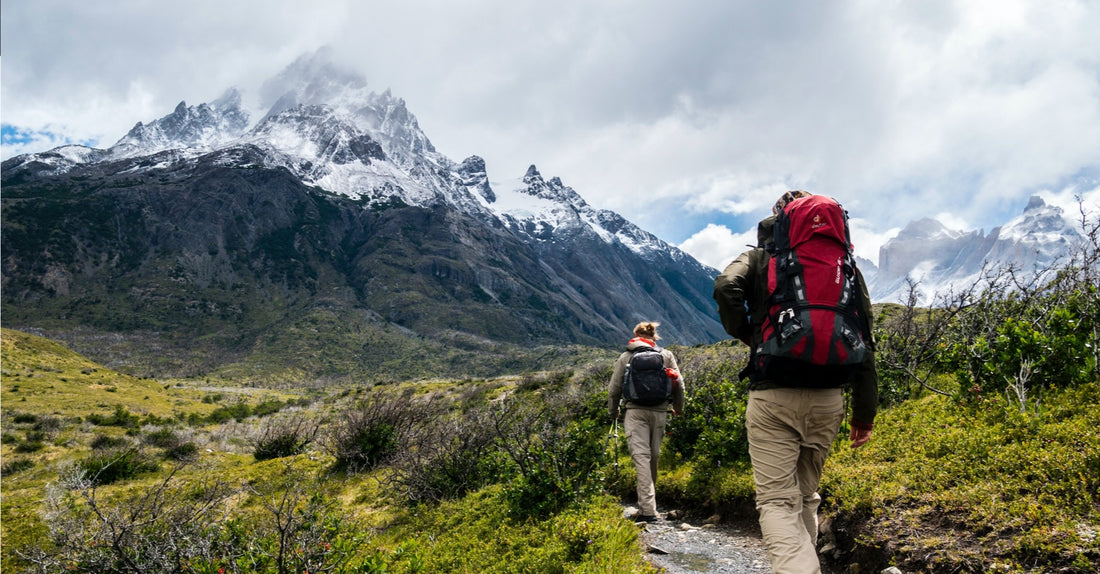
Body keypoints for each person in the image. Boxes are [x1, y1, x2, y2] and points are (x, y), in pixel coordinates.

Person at [713, 190, 878, 573]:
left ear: (780, 220)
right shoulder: (846, 266)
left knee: (776, 502)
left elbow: (725, 287)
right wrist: (864, 414)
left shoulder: (761, 257)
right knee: (805, 495)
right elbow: (865, 338)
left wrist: (751, 335)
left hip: (774, 396)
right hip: (829, 399)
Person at [607, 321, 685, 523]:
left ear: (635, 336)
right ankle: (649, 505)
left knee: (641, 457)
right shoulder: (666, 355)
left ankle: (648, 510)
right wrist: (678, 408)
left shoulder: (626, 357)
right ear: (654, 337)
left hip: (635, 413)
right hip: (660, 412)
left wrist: (614, 412)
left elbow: (614, 389)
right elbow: (680, 384)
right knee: (654, 457)